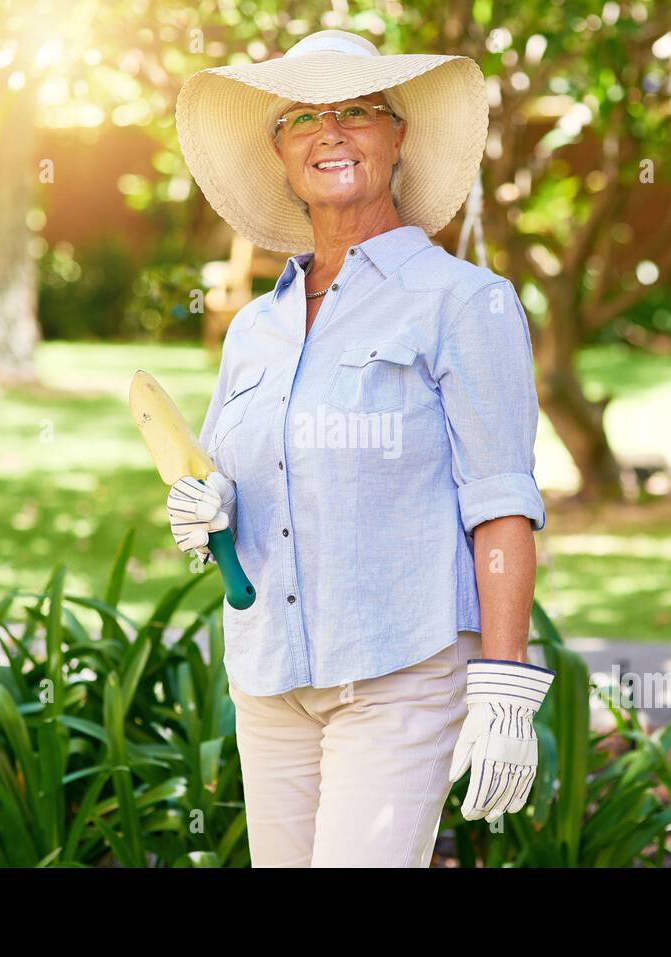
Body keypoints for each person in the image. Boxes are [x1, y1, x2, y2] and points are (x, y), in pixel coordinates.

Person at [166, 28, 555, 867]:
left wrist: (504, 689)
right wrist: (207, 512)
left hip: (400, 672)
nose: (330, 132)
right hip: (270, 677)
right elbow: (242, 485)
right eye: (303, 118)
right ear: (279, 151)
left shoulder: (464, 303)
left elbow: (501, 505)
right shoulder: (255, 329)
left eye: (355, 111)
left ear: (397, 135)